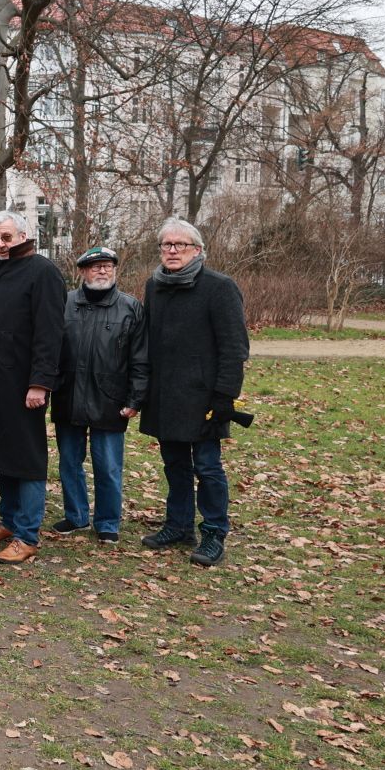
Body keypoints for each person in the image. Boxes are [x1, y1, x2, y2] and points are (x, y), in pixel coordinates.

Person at [139, 219, 248, 567]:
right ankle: (179, 525)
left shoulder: (219, 287)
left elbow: (234, 348)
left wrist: (224, 398)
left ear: (197, 250)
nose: (172, 250)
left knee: (208, 467)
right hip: (165, 395)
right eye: (166, 245)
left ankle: (214, 531)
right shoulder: (154, 286)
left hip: (204, 398)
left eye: (180, 245)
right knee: (174, 465)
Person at [0, 211, 66, 563]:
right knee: (0, 454)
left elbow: (50, 333)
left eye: (6, 237)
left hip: (24, 384)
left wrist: (40, 383)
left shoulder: (43, 272)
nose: (0, 244)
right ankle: (8, 522)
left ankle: (27, 533)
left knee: (26, 458)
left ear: (24, 235)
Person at [51, 246, 148, 545]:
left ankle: (107, 521)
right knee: (69, 462)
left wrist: (135, 399)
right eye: (95, 267)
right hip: (68, 395)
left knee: (107, 466)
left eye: (108, 266)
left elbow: (141, 358)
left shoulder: (131, 308)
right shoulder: (64, 304)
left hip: (111, 399)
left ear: (115, 270)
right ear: (82, 271)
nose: (102, 271)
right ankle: (76, 515)